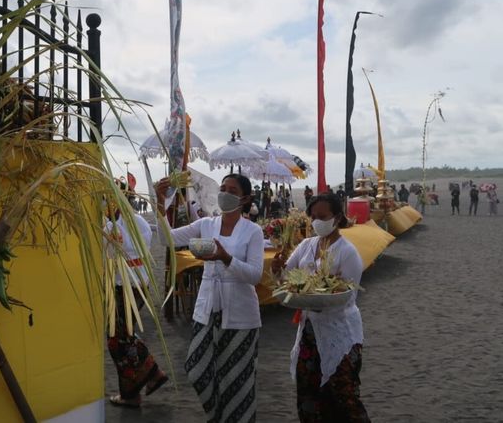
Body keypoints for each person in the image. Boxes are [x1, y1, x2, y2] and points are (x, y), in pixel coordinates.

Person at [155, 174, 264, 422]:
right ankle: (217, 417)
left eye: (232, 190)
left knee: (236, 380)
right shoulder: (206, 225)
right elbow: (166, 239)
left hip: (240, 317)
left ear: (244, 198)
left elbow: (255, 276)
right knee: (196, 369)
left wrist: (227, 258)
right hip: (207, 311)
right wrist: (160, 203)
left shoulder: (252, 231)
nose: (225, 192)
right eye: (223, 188)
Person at [271, 193, 370, 422]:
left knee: (345, 398)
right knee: (309, 396)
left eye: (322, 216)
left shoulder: (347, 252)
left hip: (340, 333)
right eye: (313, 216)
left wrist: (320, 295)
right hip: (309, 333)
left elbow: (348, 297)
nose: (317, 221)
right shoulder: (306, 245)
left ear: (336, 217)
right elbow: (287, 278)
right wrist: (277, 270)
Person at [106, 187, 168, 408]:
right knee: (120, 336)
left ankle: (151, 372)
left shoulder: (125, 223)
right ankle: (132, 391)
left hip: (128, 284)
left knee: (117, 337)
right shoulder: (128, 220)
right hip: (131, 281)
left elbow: (117, 246)